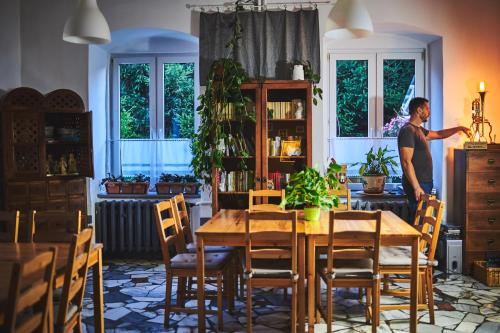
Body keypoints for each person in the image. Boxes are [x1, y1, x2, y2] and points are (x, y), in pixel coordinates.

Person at [398, 97, 471, 223]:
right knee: (418, 222)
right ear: (419, 110)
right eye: (427, 109)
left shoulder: (418, 130)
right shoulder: (408, 131)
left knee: (421, 221)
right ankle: (417, 243)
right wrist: (416, 187)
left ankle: (420, 243)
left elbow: (438, 134)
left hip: (424, 183)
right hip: (418, 183)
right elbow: (406, 162)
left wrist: (459, 129)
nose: (429, 112)